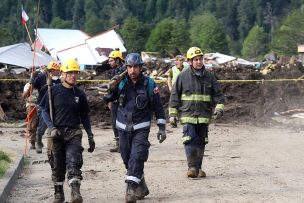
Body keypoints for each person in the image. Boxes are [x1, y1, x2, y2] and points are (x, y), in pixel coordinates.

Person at [103, 53, 166, 203]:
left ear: (140, 68)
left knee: (137, 156)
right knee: (127, 158)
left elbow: (158, 107)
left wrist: (161, 127)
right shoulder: (120, 82)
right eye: (130, 67)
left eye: (135, 67)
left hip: (141, 128)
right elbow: (107, 99)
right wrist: (110, 89)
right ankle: (141, 184)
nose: (132, 70)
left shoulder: (149, 84)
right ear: (126, 68)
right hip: (123, 127)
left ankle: (130, 189)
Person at [40, 59, 95, 203]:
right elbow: (44, 110)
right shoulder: (53, 90)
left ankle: (75, 192)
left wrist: (90, 135)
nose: (73, 76)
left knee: (74, 160)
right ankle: (58, 193)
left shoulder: (80, 94)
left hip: (73, 132)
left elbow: (84, 115)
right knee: (57, 164)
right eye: (70, 73)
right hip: (55, 133)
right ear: (63, 74)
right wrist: (51, 127)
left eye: (76, 73)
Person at [169, 47, 225, 178]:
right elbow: (174, 96)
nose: (199, 62)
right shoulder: (182, 76)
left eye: (200, 59)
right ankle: (192, 167)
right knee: (190, 139)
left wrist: (219, 109)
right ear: (190, 61)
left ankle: (198, 167)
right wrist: (172, 114)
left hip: (204, 116)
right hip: (188, 114)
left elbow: (219, 96)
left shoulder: (210, 77)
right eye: (196, 60)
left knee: (201, 141)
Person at [32, 61, 61, 153]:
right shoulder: (42, 77)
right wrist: (33, 78)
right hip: (43, 105)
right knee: (43, 126)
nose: (59, 72)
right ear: (52, 70)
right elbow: (34, 85)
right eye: (57, 70)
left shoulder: (58, 80)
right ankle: (38, 142)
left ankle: (56, 144)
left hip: (55, 105)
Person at [107, 49, 126, 153]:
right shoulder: (113, 71)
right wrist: (109, 100)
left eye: (111, 60)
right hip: (114, 100)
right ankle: (118, 144)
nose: (109, 63)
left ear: (118, 60)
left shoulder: (124, 71)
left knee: (122, 123)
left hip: (123, 100)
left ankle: (124, 144)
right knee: (114, 123)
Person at [22, 80, 39, 150]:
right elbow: (24, 96)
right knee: (32, 125)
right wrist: (29, 88)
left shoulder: (42, 84)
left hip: (41, 105)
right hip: (31, 106)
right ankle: (32, 142)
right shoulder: (28, 85)